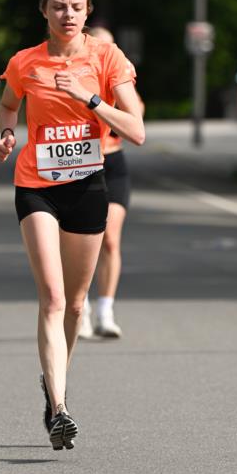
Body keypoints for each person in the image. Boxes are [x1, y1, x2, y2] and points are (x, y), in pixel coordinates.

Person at [0, 0, 145, 450]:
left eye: (76, 7)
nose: (68, 14)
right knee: (53, 299)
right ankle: (59, 408)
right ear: (45, 11)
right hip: (36, 185)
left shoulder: (106, 58)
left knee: (77, 305)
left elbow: (137, 131)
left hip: (87, 185)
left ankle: (53, 381)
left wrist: (91, 99)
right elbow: (6, 106)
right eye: (59, 6)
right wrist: (6, 134)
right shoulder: (25, 63)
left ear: (88, 12)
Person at [79, 26, 142, 340]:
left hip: (113, 163)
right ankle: (82, 307)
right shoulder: (78, 77)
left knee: (110, 239)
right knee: (82, 243)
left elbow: (137, 119)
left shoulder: (120, 76)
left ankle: (106, 309)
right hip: (81, 164)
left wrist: (121, 83)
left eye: (111, 45)